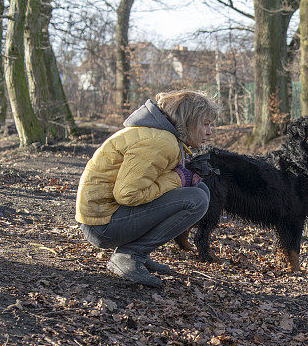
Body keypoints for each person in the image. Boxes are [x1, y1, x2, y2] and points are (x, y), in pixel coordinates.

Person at [75, 90, 218, 287]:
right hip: (102, 226)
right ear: (189, 121)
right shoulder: (160, 141)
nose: (209, 132)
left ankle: (136, 251)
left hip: (104, 218)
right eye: (206, 124)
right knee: (196, 199)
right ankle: (130, 255)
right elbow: (128, 194)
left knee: (201, 191)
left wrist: (180, 176)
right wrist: (178, 178)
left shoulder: (160, 135)